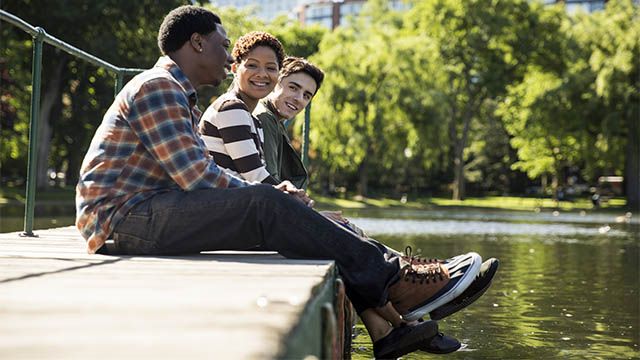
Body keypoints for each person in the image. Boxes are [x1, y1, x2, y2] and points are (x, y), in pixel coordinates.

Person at [76, 6, 486, 359]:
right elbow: (196, 176)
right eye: (223, 44)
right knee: (270, 204)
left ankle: (390, 324)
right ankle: (399, 282)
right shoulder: (159, 87)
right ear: (196, 43)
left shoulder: (178, 92)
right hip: (122, 218)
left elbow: (197, 174)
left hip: (146, 211)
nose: (228, 55)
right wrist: (273, 198)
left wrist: (278, 201)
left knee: (294, 221)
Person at [254, 56, 502, 354]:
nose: (299, 99)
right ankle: (410, 306)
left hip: (275, 219)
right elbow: (268, 187)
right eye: (293, 88)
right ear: (276, 82)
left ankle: (396, 323)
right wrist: (312, 216)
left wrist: (312, 214)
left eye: (307, 95)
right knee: (348, 243)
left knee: (350, 237)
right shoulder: (265, 120)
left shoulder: (274, 122)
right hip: (267, 225)